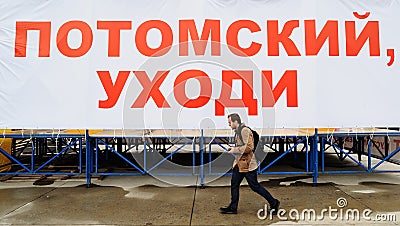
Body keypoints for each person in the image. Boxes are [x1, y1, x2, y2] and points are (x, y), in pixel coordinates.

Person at [220, 113, 280, 215]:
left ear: (236, 122)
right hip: (240, 163)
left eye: (230, 122)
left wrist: (235, 149)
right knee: (234, 184)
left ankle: (274, 202)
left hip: (248, 164)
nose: (229, 124)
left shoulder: (244, 131)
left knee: (255, 186)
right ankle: (233, 207)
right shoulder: (238, 131)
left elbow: (249, 147)